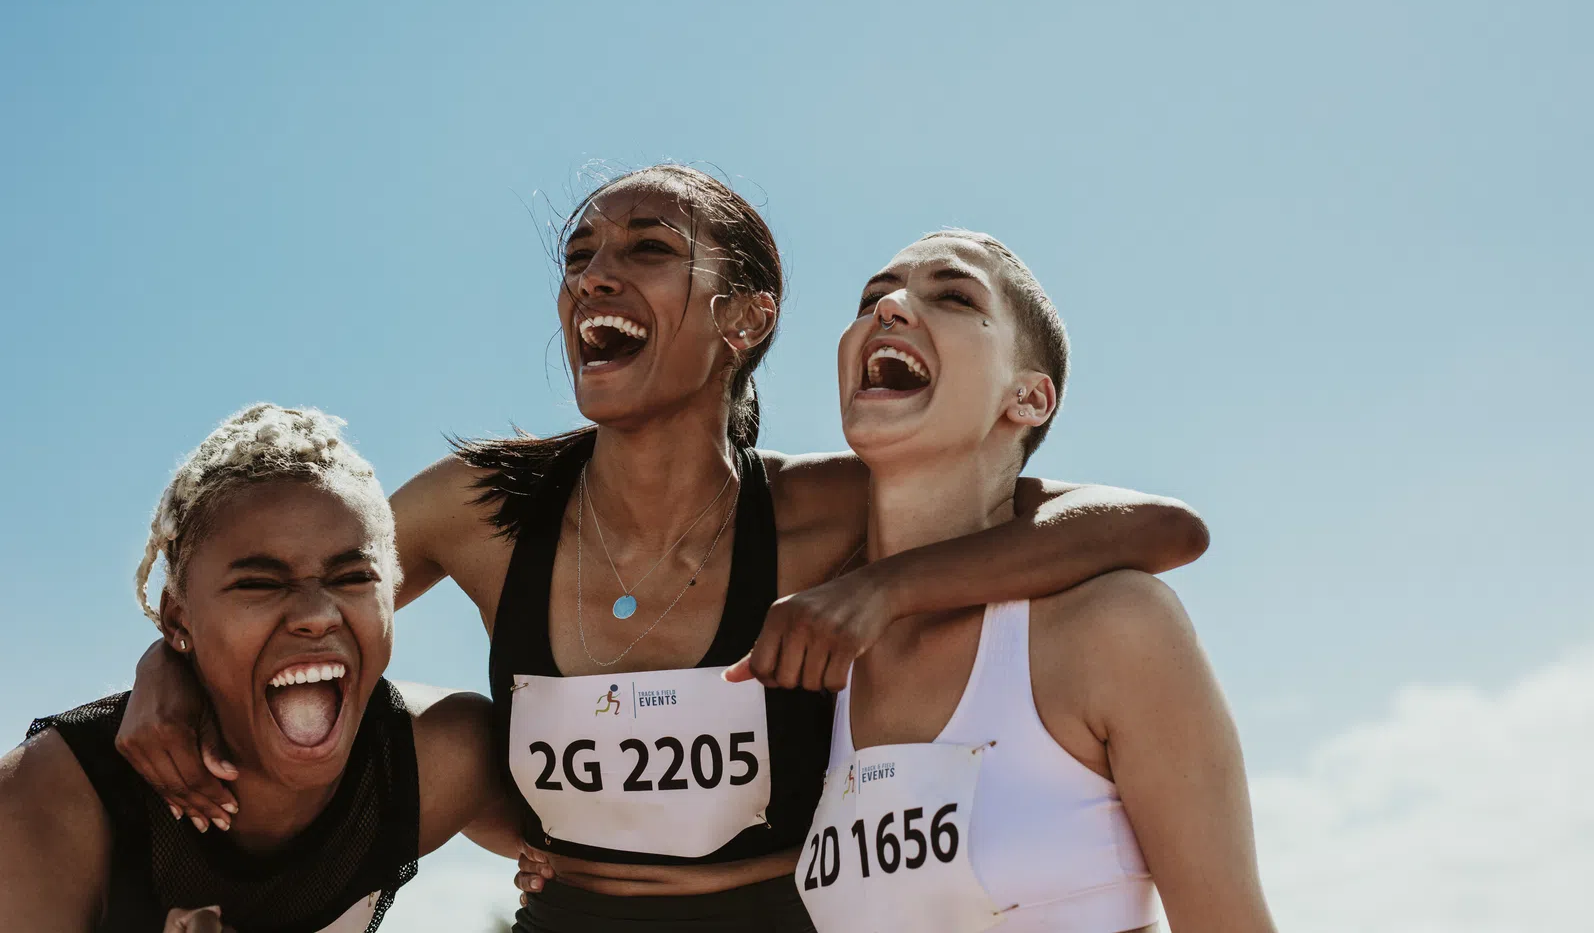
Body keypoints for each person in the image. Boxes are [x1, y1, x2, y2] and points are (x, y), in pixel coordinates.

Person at [118, 166, 1210, 932]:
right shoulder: (481, 504)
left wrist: (877, 589)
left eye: (645, 250)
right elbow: (295, 610)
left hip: (784, 921)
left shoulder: (824, 507)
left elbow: (1150, 526)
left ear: (742, 318)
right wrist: (162, 664)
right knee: (438, 723)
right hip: (557, 921)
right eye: (579, 254)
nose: (594, 275)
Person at [793, 231, 1278, 932]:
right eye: (872, 296)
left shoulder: (1112, 625)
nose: (890, 308)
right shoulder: (806, 652)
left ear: (1028, 397)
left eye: (954, 296)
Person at [0, 404, 514, 932]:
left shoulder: (442, 758)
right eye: (259, 584)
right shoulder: (47, 804)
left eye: (353, 577)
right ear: (178, 616)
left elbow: (586, 859)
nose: (316, 615)